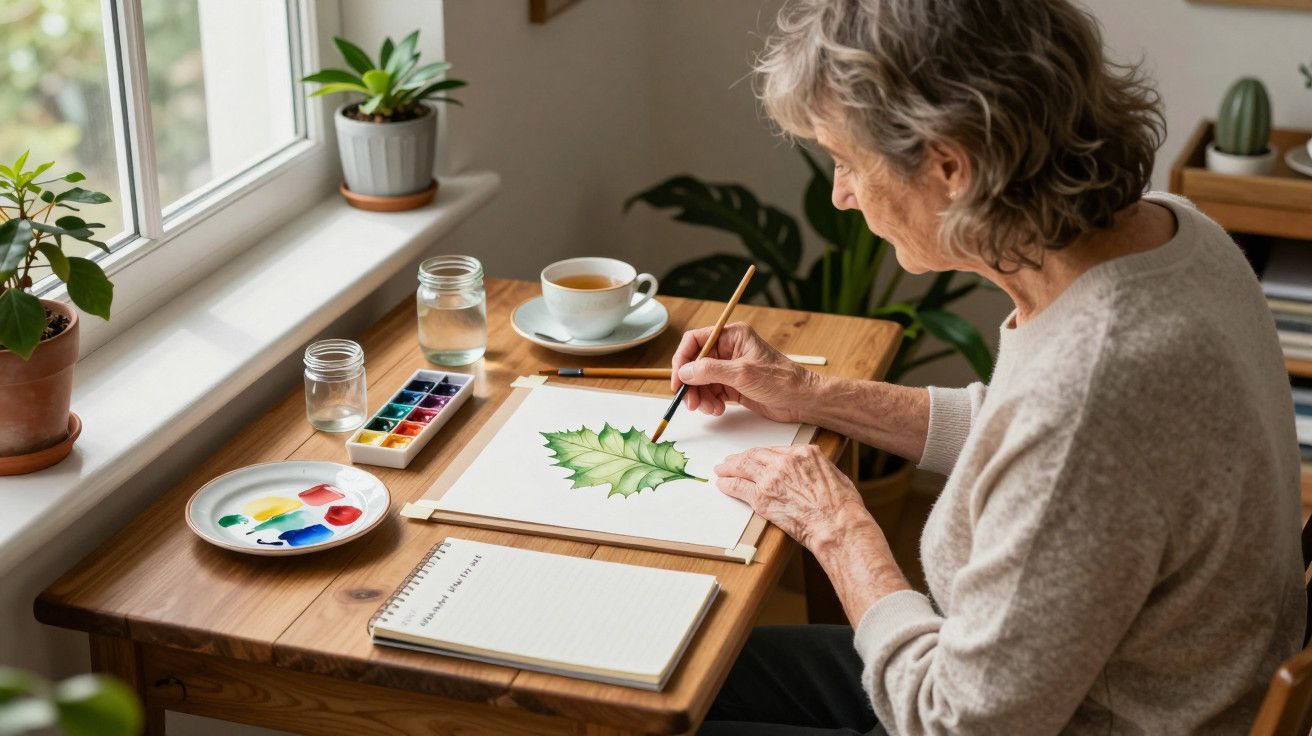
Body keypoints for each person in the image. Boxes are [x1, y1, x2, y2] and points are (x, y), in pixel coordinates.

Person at [681, 1, 1306, 734]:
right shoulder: (1169, 234)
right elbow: (1021, 435)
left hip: (1039, 716)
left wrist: (840, 531)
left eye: (847, 162)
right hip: (1051, 683)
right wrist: (809, 393)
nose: (840, 195)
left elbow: (954, 723)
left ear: (950, 166)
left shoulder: (1094, 391)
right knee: (688, 678)